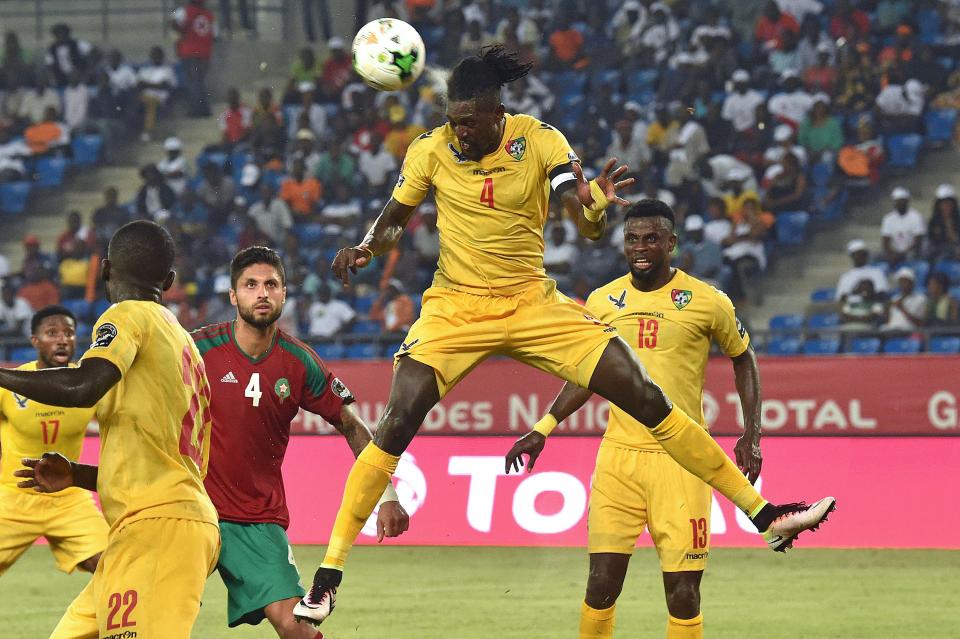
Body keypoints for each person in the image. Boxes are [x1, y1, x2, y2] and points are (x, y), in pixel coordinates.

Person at [294, 46, 835, 627]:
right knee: (398, 419)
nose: (459, 132)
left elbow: (587, 217)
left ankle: (767, 517)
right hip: (455, 306)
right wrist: (368, 246)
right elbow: (397, 214)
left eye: (469, 122)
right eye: (453, 120)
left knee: (648, 396)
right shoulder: (429, 150)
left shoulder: (539, 140)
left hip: (532, 302)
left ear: (497, 113)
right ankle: (328, 578)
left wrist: (594, 204)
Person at [504, 199, 763, 639]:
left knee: (683, 592)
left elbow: (744, 358)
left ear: (671, 243)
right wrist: (542, 427)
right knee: (601, 585)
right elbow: (587, 373)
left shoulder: (707, 300)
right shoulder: (603, 301)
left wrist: (750, 434)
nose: (640, 247)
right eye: (632, 238)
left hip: (683, 462)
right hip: (618, 461)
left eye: (651, 238)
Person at [7, 220, 219, 637]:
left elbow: (84, 385)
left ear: (105, 270)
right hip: (149, 525)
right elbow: (164, 460)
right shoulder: (182, 342)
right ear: (171, 280)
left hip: (158, 529)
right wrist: (78, 475)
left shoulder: (127, 315)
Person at [193, 246, 408, 637]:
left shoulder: (298, 361)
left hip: (255, 520)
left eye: (271, 285)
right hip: (190, 509)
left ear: (285, 293)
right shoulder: (196, 349)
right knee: (146, 611)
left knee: (297, 627)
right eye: (251, 285)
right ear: (232, 295)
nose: (262, 293)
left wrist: (387, 494)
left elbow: (352, 424)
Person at [0, 306, 108, 578]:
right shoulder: (12, 384)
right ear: (35, 341)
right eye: (52, 333)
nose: (63, 339)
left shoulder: (88, 385)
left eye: (69, 333)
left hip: (69, 498)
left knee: (113, 566)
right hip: (14, 497)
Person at [172, 0, 215, 117]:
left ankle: (198, 110)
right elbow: (214, 34)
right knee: (199, 83)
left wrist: (173, 24)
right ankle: (204, 109)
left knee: (193, 84)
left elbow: (178, 27)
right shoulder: (209, 14)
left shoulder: (187, 12)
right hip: (205, 54)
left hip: (190, 53)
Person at [881, 187, 925, 266]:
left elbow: (918, 241)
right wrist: (893, 254)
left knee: (923, 267)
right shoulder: (888, 218)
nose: (900, 204)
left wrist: (902, 255)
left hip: (911, 255)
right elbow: (885, 242)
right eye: (897, 201)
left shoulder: (916, 216)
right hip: (893, 255)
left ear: (907, 201)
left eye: (902, 201)